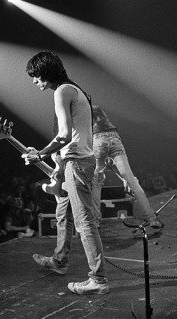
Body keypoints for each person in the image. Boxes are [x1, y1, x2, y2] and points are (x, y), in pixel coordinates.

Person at [22, 51, 109, 296]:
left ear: (46, 71)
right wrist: (46, 152)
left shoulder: (63, 91)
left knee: (84, 223)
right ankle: (60, 260)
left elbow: (64, 136)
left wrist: (40, 154)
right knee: (64, 213)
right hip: (78, 161)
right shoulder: (73, 89)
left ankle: (98, 279)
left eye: (36, 76)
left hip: (78, 164)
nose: (34, 81)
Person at [91, 105, 163, 230]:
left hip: (97, 140)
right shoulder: (98, 109)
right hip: (114, 138)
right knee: (132, 182)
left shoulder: (81, 111)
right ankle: (152, 219)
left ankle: (95, 222)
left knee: (96, 183)